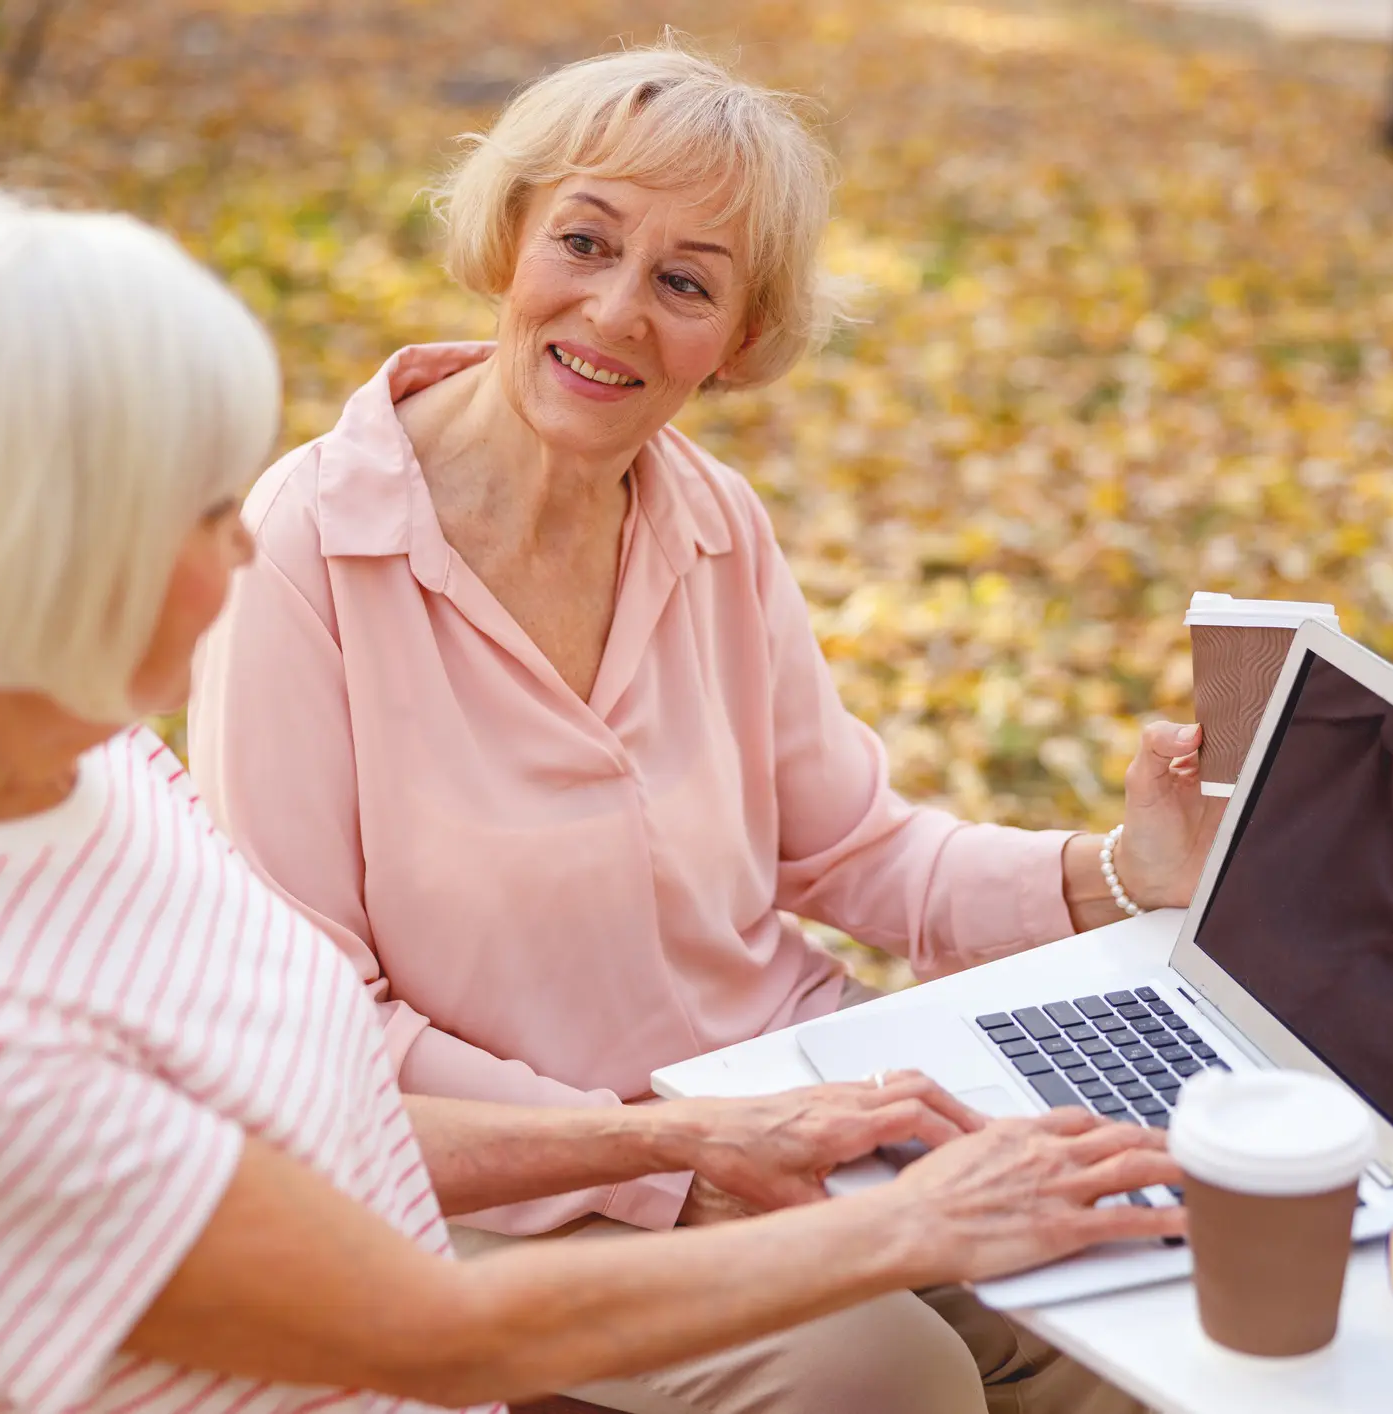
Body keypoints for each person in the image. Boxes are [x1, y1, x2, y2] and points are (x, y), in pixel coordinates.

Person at [0, 185, 1187, 1414]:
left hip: (546, 1245)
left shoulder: (62, 772)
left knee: (1158, 1300)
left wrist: (675, 1137)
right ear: (30, 540)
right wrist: (906, 1225)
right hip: (455, 1354)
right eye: (206, 514)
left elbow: (333, 1111)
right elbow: (433, 1334)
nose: (248, 554)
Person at [189, 36, 1222, 1414]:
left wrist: (1115, 873)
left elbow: (856, 847)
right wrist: (665, 1166)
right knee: (891, 1377)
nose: (616, 311)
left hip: (801, 1098)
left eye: (684, 281)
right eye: (585, 240)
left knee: (1154, 1292)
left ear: (737, 342)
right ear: (508, 241)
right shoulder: (308, 545)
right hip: (513, 1190)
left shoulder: (714, 522)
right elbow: (313, 1034)